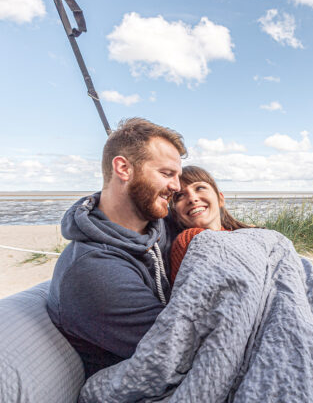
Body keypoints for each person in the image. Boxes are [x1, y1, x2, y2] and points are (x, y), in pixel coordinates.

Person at [46, 117, 186, 379]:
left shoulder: (160, 222)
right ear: (123, 168)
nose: (177, 187)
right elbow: (180, 351)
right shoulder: (93, 270)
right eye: (167, 174)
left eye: (178, 176)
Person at [168, 166, 250, 285]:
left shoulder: (245, 235)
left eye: (200, 188)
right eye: (180, 195)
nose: (192, 198)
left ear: (220, 199)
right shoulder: (188, 239)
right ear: (175, 214)